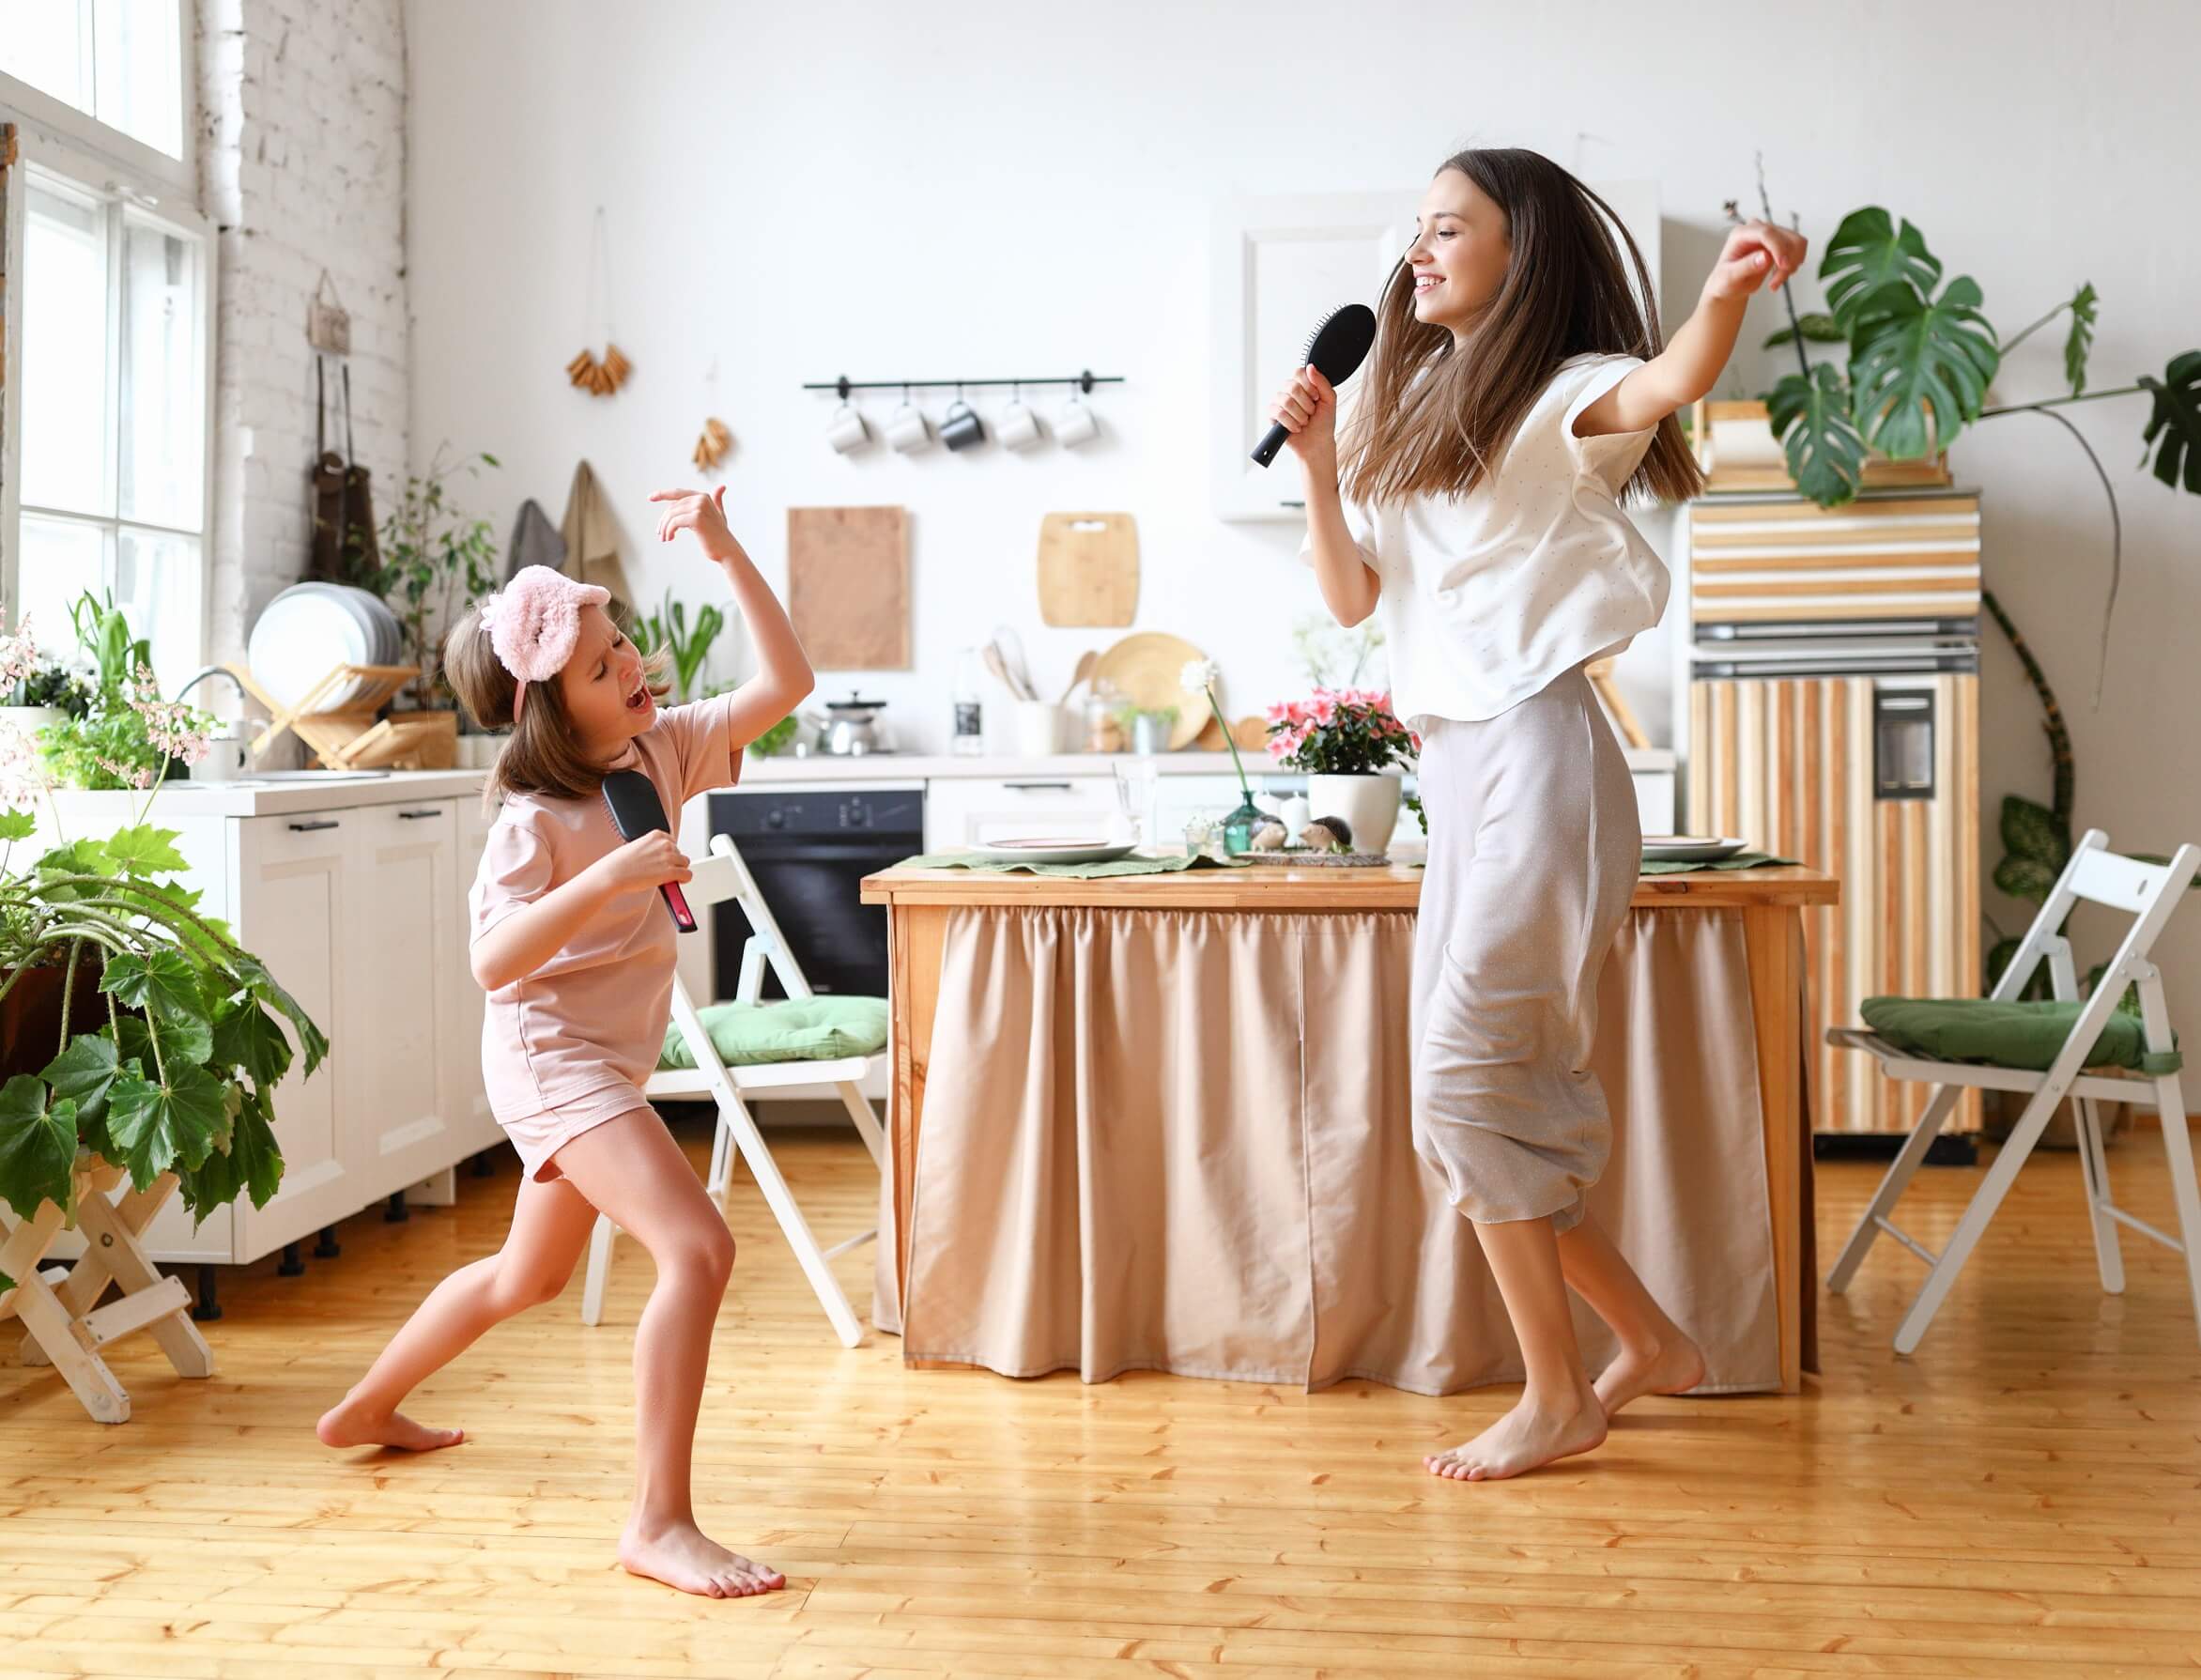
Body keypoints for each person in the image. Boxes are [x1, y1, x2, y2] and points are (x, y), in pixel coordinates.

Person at [1271, 146, 1805, 1481]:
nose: (1421, 250)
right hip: (1465, 780)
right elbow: (1349, 602)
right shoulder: (1423, 409)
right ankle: (1655, 1345)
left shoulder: (1562, 394)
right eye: (1418, 230)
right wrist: (1322, 462)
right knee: (1471, 1101)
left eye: (1453, 228)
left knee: (1463, 1084)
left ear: (1525, 252)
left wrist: (1729, 294)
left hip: (1539, 760)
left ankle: (1560, 1394)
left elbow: (1669, 379)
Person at [317, 486, 813, 1595]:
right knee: (699, 1249)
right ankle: (658, 1522)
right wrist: (607, 876)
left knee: (524, 1275)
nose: (631, 665)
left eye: (622, 641)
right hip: (554, 1063)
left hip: (607, 1061)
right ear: (551, 710)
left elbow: (788, 685)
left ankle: (364, 1405)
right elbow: (494, 963)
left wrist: (728, 550)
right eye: (601, 668)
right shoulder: (531, 823)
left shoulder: (666, 751)